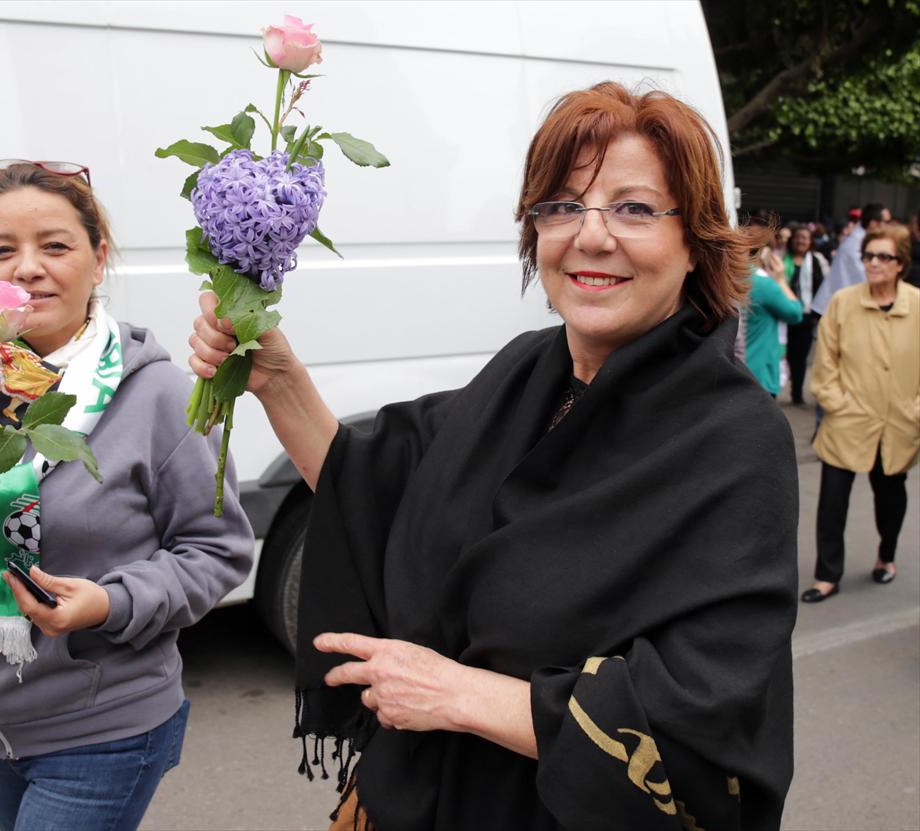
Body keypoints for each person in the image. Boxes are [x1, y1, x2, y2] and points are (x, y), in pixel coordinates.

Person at [191, 83, 797, 830]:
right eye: (562, 205)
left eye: (634, 207)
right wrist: (276, 379)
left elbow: (703, 718)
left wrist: (458, 695)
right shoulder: (524, 372)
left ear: (696, 238)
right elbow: (373, 490)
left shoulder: (732, 440)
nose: (591, 235)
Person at [0, 160, 254, 831]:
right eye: (3, 249)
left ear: (98, 257)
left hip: (104, 725)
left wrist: (112, 602)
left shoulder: (160, 396)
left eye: (55, 245)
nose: (28, 267)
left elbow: (217, 551)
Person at [801, 224, 920, 603]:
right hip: (846, 421)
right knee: (832, 503)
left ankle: (886, 557)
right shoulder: (842, 302)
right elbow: (825, 365)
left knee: (890, 500)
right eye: (869, 255)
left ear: (901, 263)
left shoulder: (917, 305)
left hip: (898, 424)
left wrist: (915, 412)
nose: (874, 263)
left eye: (884, 257)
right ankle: (826, 575)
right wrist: (838, 405)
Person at [811, 202, 891, 315]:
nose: (890, 226)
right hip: (837, 311)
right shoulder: (856, 244)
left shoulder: (862, 241)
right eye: (887, 222)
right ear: (873, 224)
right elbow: (868, 275)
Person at [744, 257, 803, 397]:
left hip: (734, 365)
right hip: (759, 371)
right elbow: (795, 313)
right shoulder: (762, 284)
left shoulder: (729, 277)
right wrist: (781, 281)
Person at [783, 226, 828, 404]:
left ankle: (797, 395)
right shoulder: (780, 259)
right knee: (782, 354)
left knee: (799, 357)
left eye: (805, 238)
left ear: (810, 242)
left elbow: (825, 288)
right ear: (792, 240)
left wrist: (818, 313)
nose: (800, 241)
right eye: (798, 237)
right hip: (783, 314)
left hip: (806, 317)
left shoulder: (817, 260)